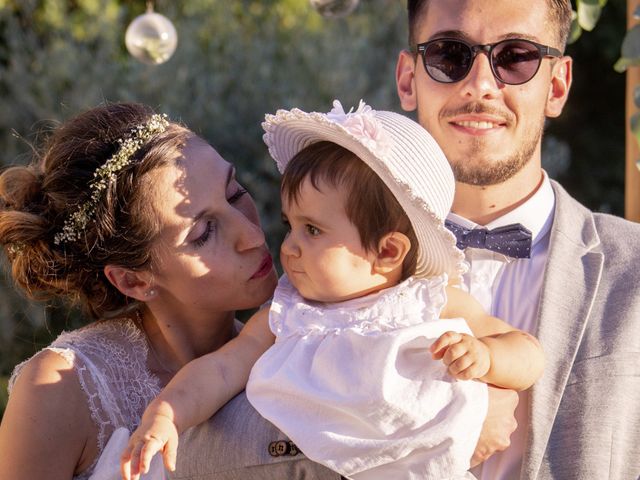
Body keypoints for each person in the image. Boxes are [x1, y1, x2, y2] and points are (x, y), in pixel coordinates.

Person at [121, 100, 544, 480]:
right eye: (291, 226)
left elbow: (528, 353)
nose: (288, 246)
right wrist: (167, 413)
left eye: (313, 230)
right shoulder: (289, 313)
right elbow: (222, 368)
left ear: (387, 251)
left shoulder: (429, 300)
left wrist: (488, 357)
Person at [0, 102, 341, 480]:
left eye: (233, 193)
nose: (253, 235)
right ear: (134, 280)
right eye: (204, 233)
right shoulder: (60, 389)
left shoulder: (290, 361)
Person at [395, 0, 640, 479]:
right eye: (450, 54)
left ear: (557, 85)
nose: (481, 84)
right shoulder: (334, 264)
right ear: (408, 79)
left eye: (516, 56)